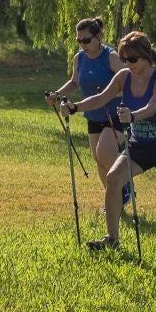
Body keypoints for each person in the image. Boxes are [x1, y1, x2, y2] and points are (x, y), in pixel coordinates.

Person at [70, 30, 156, 249]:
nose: (128, 64)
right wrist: (75, 107)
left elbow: (153, 107)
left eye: (132, 59)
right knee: (113, 178)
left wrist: (133, 116)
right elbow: (101, 98)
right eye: (123, 59)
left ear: (146, 56)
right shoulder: (123, 77)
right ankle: (112, 239)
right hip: (140, 145)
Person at [44, 16, 124, 190]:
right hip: (93, 116)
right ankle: (114, 199)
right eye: (78, 40)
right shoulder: (79, 58)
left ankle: (125, 186)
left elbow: (127, 84)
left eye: (86, 40)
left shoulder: (111, 57)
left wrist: (111, 94)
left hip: (115, 116)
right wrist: (56, 94)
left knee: (103, 153)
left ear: (98, 37)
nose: (82, 44)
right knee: (98, 159)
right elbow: (74, 83)